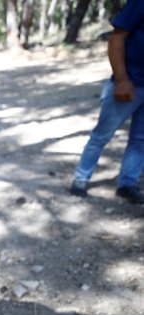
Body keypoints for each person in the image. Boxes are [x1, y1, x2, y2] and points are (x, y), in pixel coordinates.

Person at [70, 0, 144, 204]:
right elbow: (116, 38)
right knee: (102, 134)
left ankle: (127, 184)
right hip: (130, 83)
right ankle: (81, 179)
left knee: (140, 140)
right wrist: (121, 80)